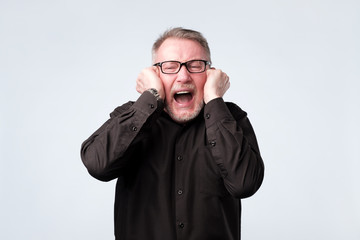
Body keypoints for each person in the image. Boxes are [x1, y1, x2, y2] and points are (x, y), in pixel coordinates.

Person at [81, 27, 264, 240]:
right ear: (155, 75)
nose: (183, 76)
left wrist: (214, 100)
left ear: (211, 74)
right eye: (170, 67)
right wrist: (150, 98)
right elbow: (97, 164)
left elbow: (245, 183)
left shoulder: (230, 118)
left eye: (196, 66)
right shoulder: (131, 116)